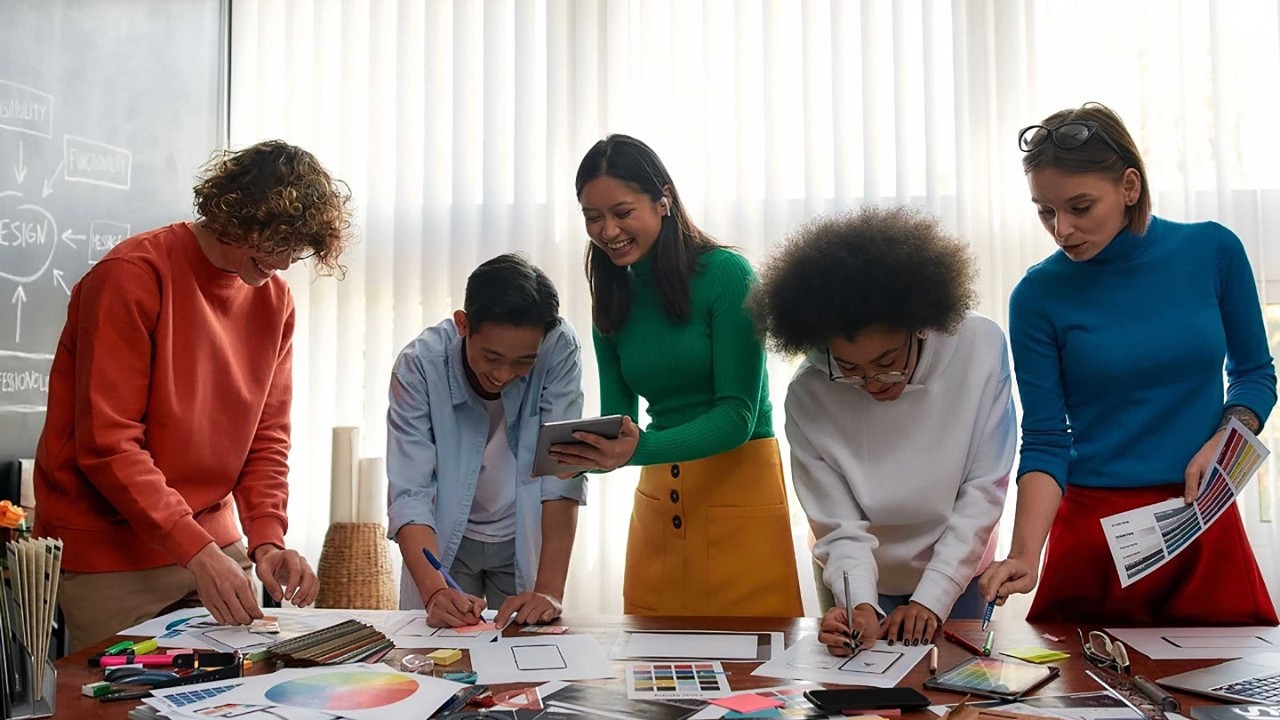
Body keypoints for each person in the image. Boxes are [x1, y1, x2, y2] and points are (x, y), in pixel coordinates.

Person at [35, 140, 354, 651]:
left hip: (212, 543)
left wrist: (267, 541)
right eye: (277, 243)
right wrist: (197, 550)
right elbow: (109, 444)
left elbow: (266, 439)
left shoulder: (275, 300)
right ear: (235, 214)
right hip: (114, 557)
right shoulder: (132, 276)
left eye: (297, 249)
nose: (285, 262)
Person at [980, 102, 1278, 624]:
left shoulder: (1213, 251)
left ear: (1130, 188)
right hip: (1093, 534)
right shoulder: (1037, 294)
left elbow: (1254, 375)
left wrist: (1225, 440)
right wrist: (1025, 554)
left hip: (1199, 515)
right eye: (1045, 211)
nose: (1062, 229)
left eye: (1080, 206)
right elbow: (1048, 437)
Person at [549, 133, 802, 616]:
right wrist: (580, 453)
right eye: (592, 217)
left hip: (739, 492)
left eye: (622, 212)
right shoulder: (613, 297)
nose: (608, 230)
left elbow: (737, 416)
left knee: (754, 677)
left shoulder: (727, 275)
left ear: (663, 199)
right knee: (650, 676)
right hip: (660, 501)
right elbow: (619, 420)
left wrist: (637, 449)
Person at [748, 207, 1015, 653]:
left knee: (951, 687)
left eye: (888, 363)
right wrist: (859, 605)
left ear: (921, 326)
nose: (871, 383)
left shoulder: (980, 349)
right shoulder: (810, 393)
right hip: (857, 567)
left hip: (959, 563)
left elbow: (983, 490)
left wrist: (932, 599)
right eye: (849, 368)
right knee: (860, 687)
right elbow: (837, 526)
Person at [387, 254, 586, 629]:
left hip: (522, 536)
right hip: (444, 541)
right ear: (463, 324)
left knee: (524, 660)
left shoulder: (559, 349)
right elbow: (409, 494)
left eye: (523, 362)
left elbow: (562, 470)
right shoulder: (418, 366)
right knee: (442, 656)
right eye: (491, 356)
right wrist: (433, 593)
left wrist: (549, 591)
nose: (503, 374)